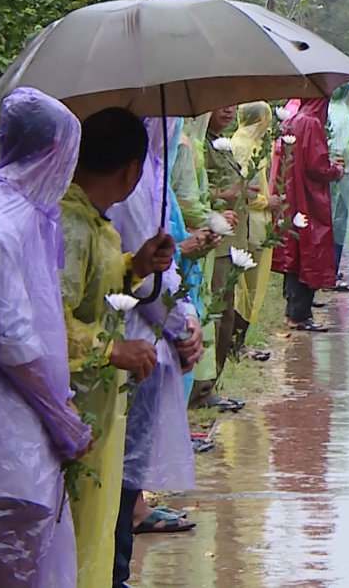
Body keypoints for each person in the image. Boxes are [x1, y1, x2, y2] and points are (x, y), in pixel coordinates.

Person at [0, 88, 92, 587]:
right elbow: (7, 341)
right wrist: (62, 418)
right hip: (2, 450)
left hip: (24, 445)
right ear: (51, 153)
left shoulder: (18, 216)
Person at [59, 108, 181, 588]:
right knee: (76, 529)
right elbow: (48, 321)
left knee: (95, 527)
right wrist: (113, 351)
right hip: (72, 408)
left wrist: (135, 266)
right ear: (132, 170)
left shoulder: (94, 222)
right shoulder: (70, 226)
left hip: (97, 408)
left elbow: (95, 288)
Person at [105, 113, 203, 584]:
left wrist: (188, 320)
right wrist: (182, 327)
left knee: (124, 477)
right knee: (116, 481)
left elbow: (155, 265)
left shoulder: (150, 178)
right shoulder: (133, 185)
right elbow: (142, 282)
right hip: (133, 346)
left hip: (147, 341)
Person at [272, 97, 345, 331]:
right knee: (309, 252)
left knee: (294, 253)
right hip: (308, 197)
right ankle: (299, 314)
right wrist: (335, 170)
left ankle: (293, 311)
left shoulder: (294, 119)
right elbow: (316, 166)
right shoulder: (312, 123)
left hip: (293, 193)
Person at [192, 105, 247, 412]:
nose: (228, 110)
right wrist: (222, 200)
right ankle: (200, 391)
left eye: (233, 106)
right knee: (213, 311)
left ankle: (210, 385)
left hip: (226, 239)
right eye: (220, 105)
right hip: (209, 238)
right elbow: (195, 193)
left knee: (224, 311)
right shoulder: (198, 145)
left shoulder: (219, 143)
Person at [227, 102, 278, 357]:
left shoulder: (252, 144)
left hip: (258, 222)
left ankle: (238, 343)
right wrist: (268, 202)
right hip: (251, 225)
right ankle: (236, 345)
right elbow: (244, 192)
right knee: (246, 287)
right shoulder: (244, 147)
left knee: (250, 287)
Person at [327, 85, 349, 291]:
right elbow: (341, 149)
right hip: (341, 177)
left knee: (333, 222)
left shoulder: (330, 111)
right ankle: (331, 271)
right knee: (337, 223)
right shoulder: (341, 115)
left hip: (337, 176)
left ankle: (330, 270)